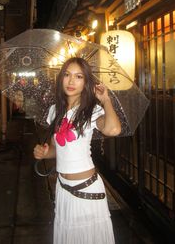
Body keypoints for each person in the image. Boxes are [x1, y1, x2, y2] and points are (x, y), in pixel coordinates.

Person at [33, 57, 121, 244]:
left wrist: (105, 100)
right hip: (63, 188)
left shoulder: (91, 111)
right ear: (61, 78)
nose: (71, 81)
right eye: (67, 75)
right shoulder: (54, 111)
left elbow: (113, 129)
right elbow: (56, 149)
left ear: (86, 82)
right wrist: (44, 153)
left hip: (87, 189)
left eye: (78, 76)